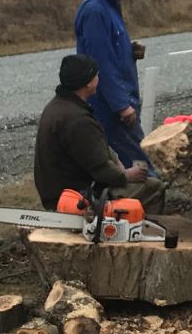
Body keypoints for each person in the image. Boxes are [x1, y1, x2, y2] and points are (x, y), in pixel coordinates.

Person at [34, 54, 165, 214]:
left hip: (60, 192)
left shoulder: (59, 106)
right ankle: (140, 227)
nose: (99, 78)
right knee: (154, 187)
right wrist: (127, 176)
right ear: (88, 82)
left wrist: (115, 160)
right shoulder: (78, 120)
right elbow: (102, 170)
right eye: (96, 75)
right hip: (78, 197)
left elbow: (94, 148)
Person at [75, 0, 152, 172]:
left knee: (131, 164)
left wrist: (129, 51)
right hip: (109, 107)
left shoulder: (109, 4)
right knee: (141, 166)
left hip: (120, 100)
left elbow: (110, 48)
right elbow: (101, 63)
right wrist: (121, 106)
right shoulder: (95, 10)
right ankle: (149, 192)